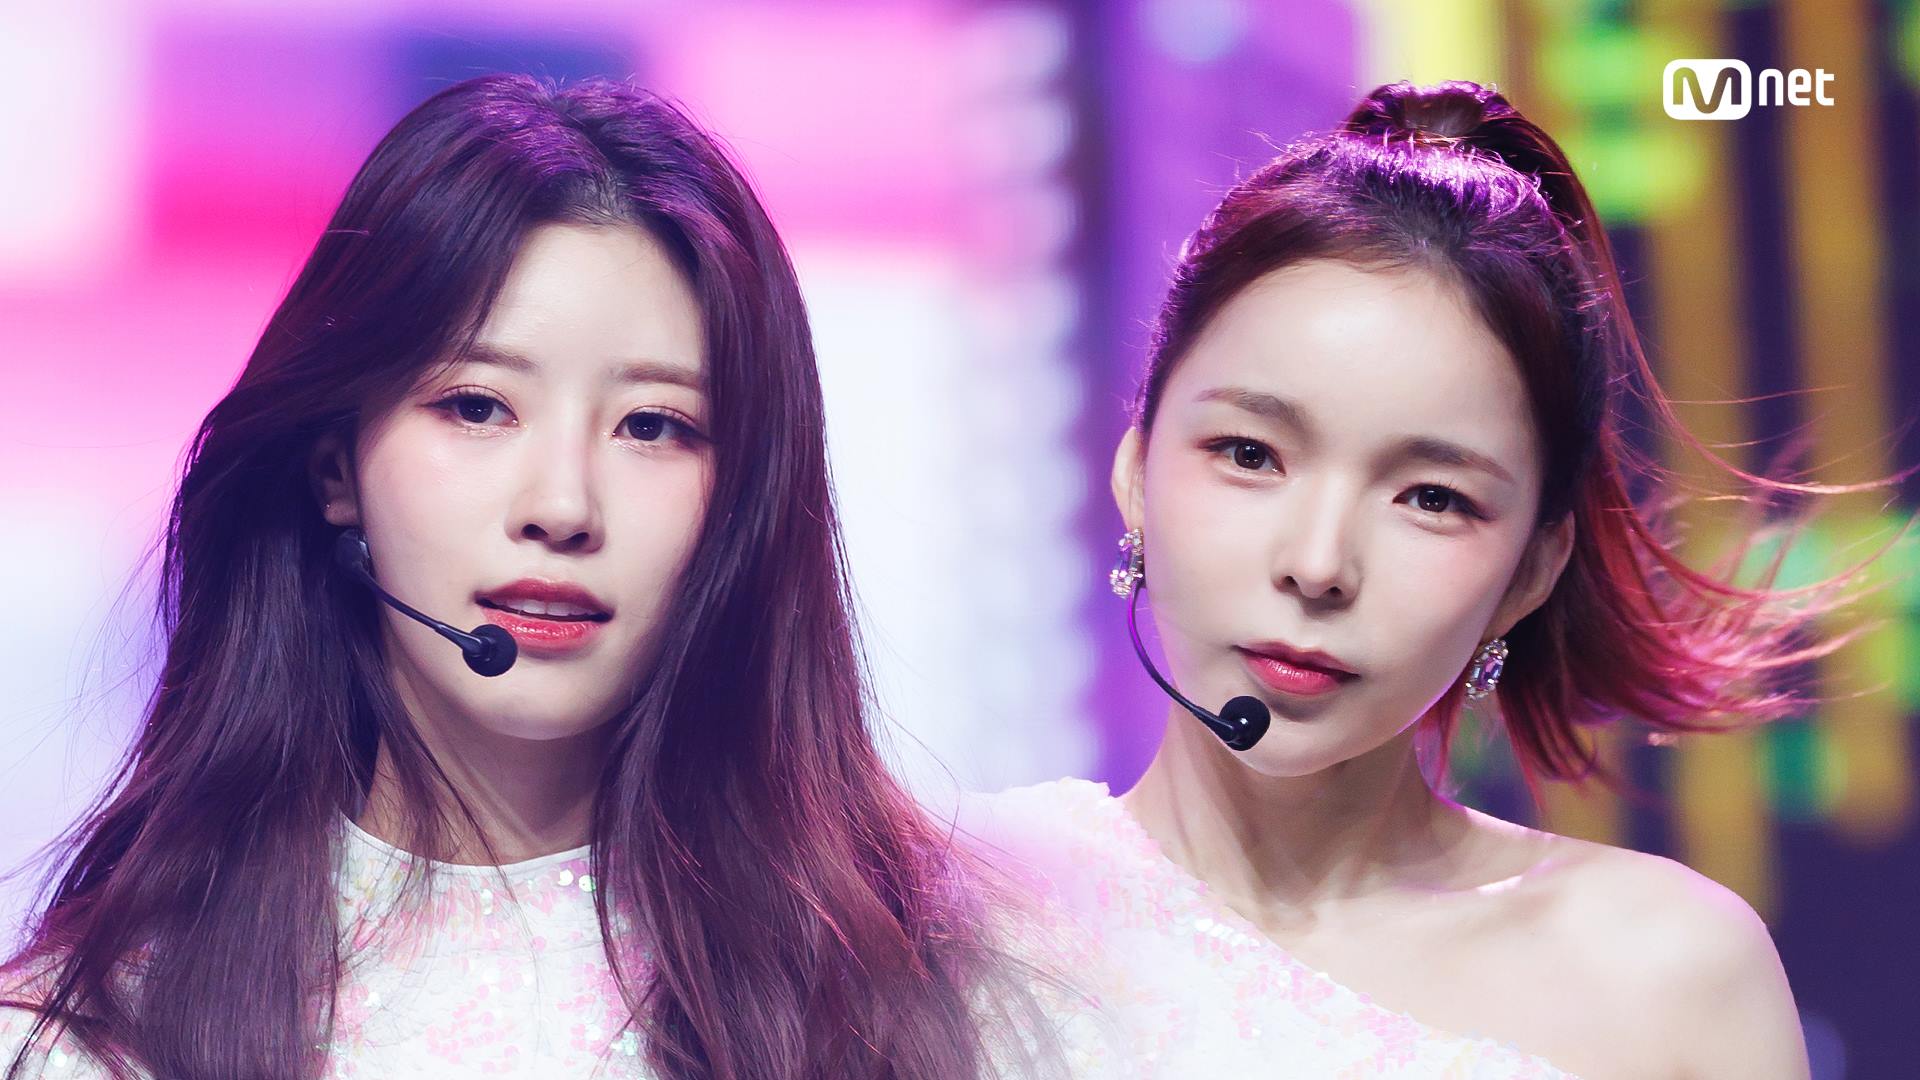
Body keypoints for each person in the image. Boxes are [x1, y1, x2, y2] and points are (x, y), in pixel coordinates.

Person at [0, 74, 1094, 1080]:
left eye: (652, 425)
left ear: (744, 497)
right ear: (336, 470)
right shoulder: (96, 1036)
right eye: (479, 406)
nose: (563, 506)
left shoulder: (934, 1000)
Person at [956, 79, 1912, 1079]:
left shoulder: (1668, 978)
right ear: (1135, 472)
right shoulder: (949, 918)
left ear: (1531, 570)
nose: (1318, 565)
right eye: (1249, 454)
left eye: (1432, 498)